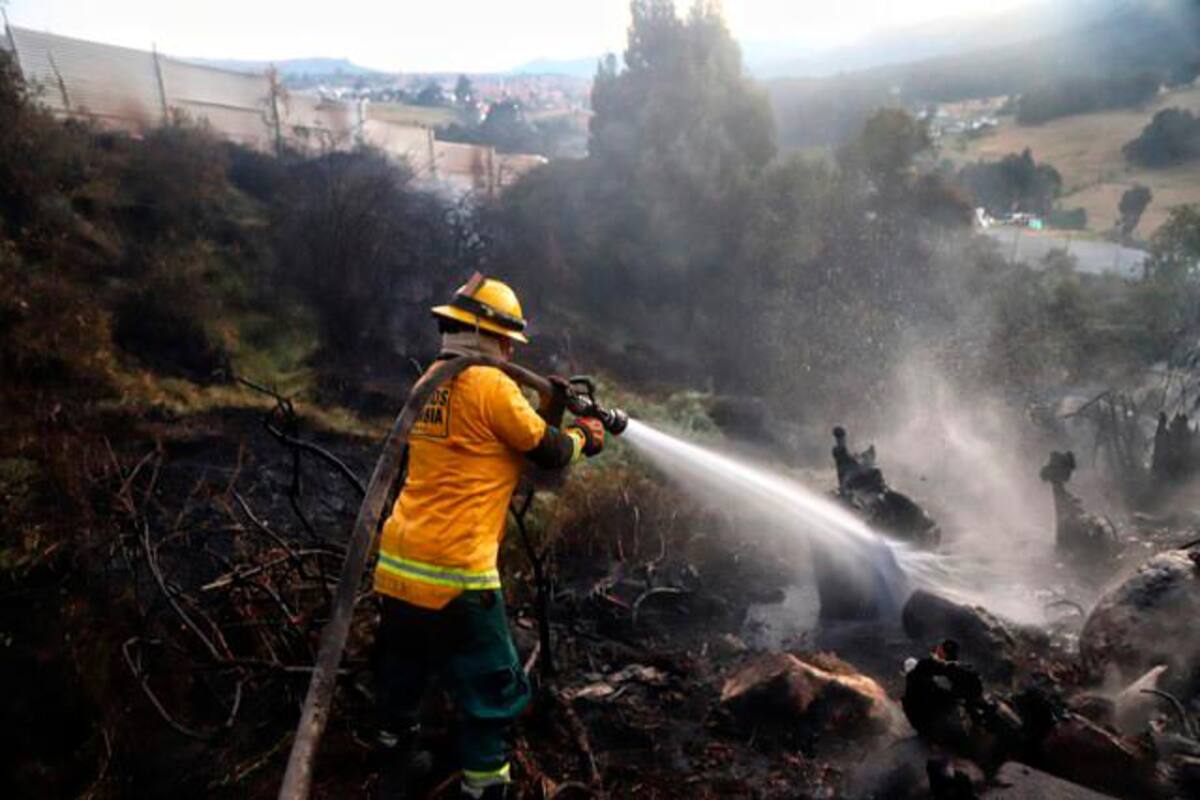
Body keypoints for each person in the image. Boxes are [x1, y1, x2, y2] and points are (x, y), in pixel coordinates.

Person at [372, 274, 607, 800]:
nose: (509, 351)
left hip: (398, 564)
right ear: (489, 335)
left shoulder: (430, 380)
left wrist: (551, 406)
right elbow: (550, 455)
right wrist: (585, 435)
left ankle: (394, 770)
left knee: (401, 675)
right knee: (493, 688)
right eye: (506, 341)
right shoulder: (491, 385)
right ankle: (484, 790)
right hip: (458, 572)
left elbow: (504, 444)